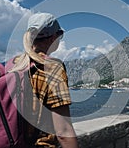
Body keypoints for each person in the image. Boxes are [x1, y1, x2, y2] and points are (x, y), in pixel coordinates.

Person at [9, 12, 79, 148]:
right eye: (60, 35)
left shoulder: (13, 64)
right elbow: (63, 131)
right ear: (52, 38)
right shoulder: (52, 68)